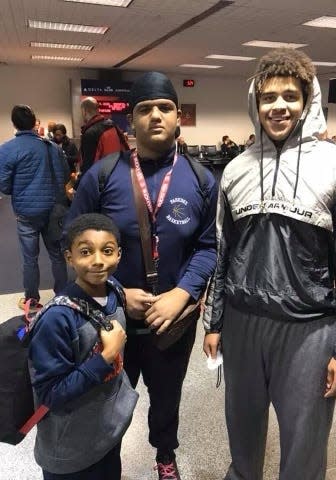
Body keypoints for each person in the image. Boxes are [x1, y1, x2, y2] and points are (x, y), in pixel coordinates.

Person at [203, 48, 336, 480]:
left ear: (307, 101)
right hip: (242, 321)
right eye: (268, 97)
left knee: (305, 445)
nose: (278, 106)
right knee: (242, 433)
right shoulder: (235, 170)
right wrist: (214, 323)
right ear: (256, 103)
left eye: (290, 96)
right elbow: (223, 252)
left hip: (307, 328)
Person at [65, 71, 218, 480]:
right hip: (111, 321)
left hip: (173, 322)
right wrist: (116, 291)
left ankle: (165, 456)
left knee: (166, 400)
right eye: (144, 109)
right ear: (130, 120)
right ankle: (105, 461)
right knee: (107, 399)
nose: (155, 116)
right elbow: (75, 246)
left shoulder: (201, 180)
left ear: (178, 117)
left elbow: (208, 247)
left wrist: (183, 292)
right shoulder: (102, 177)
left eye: (165, 108)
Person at [29, 213, 137, 480]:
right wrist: (106, 356)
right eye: (86, 252)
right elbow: (49, 393)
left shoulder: (114, 290)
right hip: (69, 453)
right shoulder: (58, 318)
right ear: (69, 257)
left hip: (107, 434)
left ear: (119, 254)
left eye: (107, 251)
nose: (98, 260)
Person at [0, 105, 69, 310]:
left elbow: (3, 184)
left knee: (30, 258)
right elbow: (65, 176)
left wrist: (21, 189)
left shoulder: (7, 148)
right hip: (54, 208)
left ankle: (32, 299)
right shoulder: (52, 147)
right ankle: (62, 296)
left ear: (14, 123)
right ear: (34, 122)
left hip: (27, 211)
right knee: (57, 255)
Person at [78, 96, 129, 181]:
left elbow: (88, 165)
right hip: (119, 176)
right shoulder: (113, 125)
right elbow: (126, 148)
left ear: (84, 111)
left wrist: (77, 186)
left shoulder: (90, 133)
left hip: (101, 182)